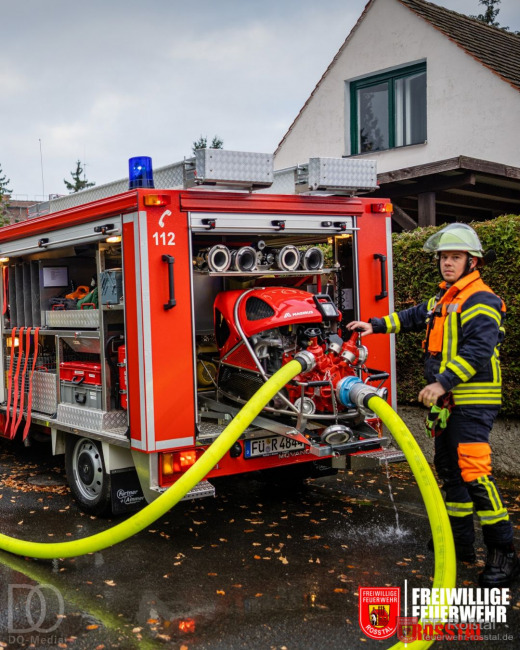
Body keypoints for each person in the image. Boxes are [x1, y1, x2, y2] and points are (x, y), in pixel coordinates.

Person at [347, 223, 518, 587]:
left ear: (473, 262)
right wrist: (374, 325)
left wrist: (442, 383)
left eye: (455, 257)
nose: (447, 263)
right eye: (443, 257)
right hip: (449, 404)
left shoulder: (482, 300)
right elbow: (412, 316)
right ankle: (460, 543)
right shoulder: (445, 298)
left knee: (475, 473)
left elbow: (478, 351)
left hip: (473, 402)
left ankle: (503, 552)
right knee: (449, 470)